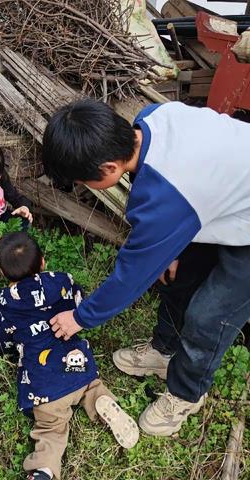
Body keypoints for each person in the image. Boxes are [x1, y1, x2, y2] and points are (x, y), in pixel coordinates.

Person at [41, 99, 250, 436]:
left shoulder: (167, 198)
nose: (82, 187)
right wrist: (170, 243)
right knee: (178, 276)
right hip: (227, 195)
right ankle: (164, 351)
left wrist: (80, 318)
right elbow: (184, 198)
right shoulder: (152, 117)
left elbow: (130, 278)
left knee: (210, 316)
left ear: (109, 168)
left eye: (82, 181)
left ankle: (187, 394)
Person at [0, 232, 138, 480]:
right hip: (77, 364)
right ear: (43, 261)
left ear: (2, 273)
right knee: (91, 386)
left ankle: (44, 470)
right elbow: (79, 304)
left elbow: (6, 337)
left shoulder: (7, 300)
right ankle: (99, 399)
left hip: (43, 385)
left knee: (51, 430)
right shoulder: (63, 280)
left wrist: (6, 349)